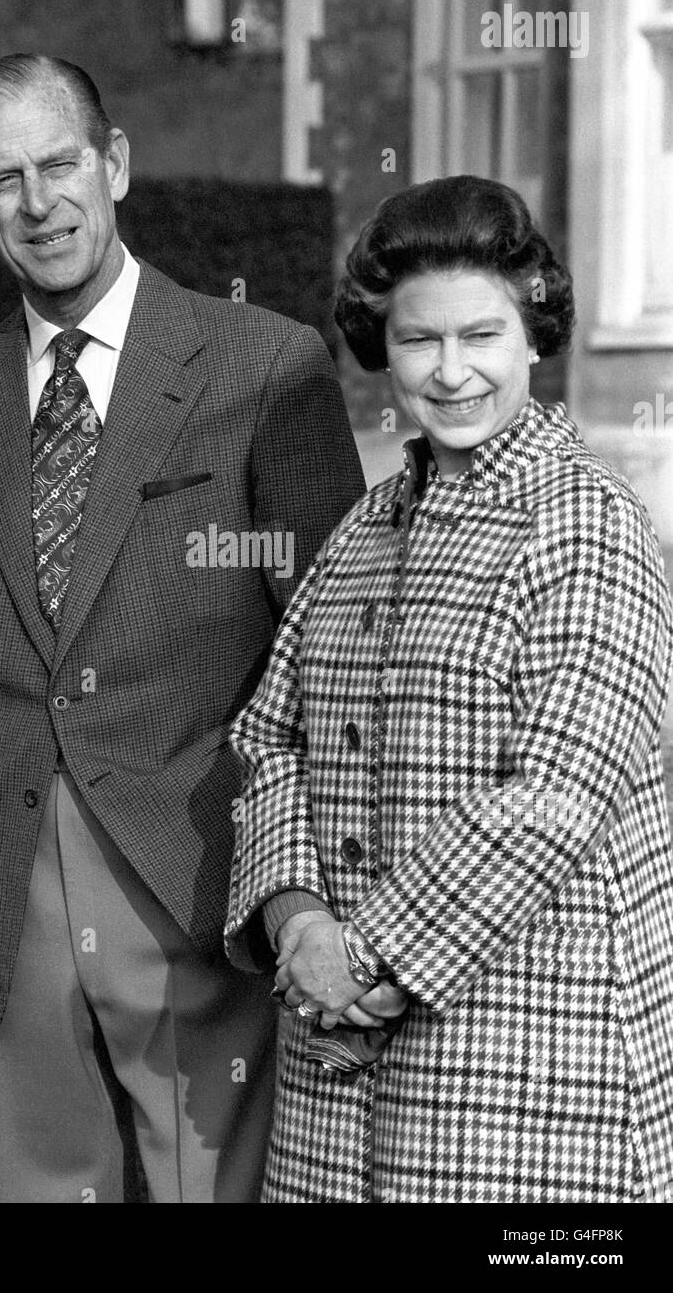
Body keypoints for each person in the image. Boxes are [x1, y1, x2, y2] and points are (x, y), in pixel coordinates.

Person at [0, 52, 365, 1204]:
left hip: (199, 868)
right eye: (2, 180)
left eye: (60, 163)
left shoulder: (266, 367)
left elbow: (332, 653)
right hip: (7, 879)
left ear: (114, 164)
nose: (39, 203)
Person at [225, 174, 673, 1204]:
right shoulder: (364, 526)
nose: (452, 370)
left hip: (529, 1068)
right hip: (340, 1080)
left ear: (532, 336)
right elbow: (268, 738)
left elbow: (553, 794)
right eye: (421, 340)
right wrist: (297, 926)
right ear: (384, 347)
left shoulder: (588, 525)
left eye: (481, 335)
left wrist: (358, 955)